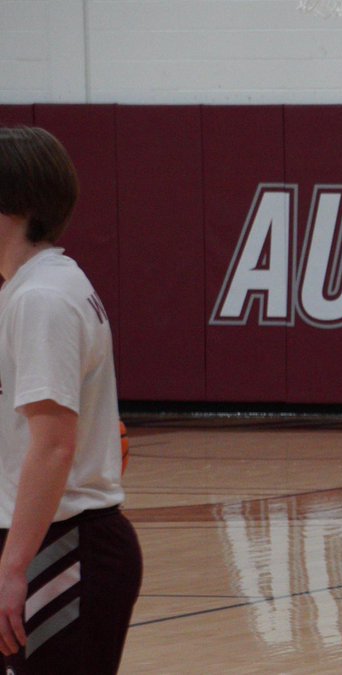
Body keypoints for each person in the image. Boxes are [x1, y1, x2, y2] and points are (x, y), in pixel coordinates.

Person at [0, 126, 142, 674]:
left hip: (63, 551)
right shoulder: (35, 289)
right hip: (47, 546)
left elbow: (54, 449)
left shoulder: (42, 299)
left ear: (12, 205)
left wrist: (15, 570)